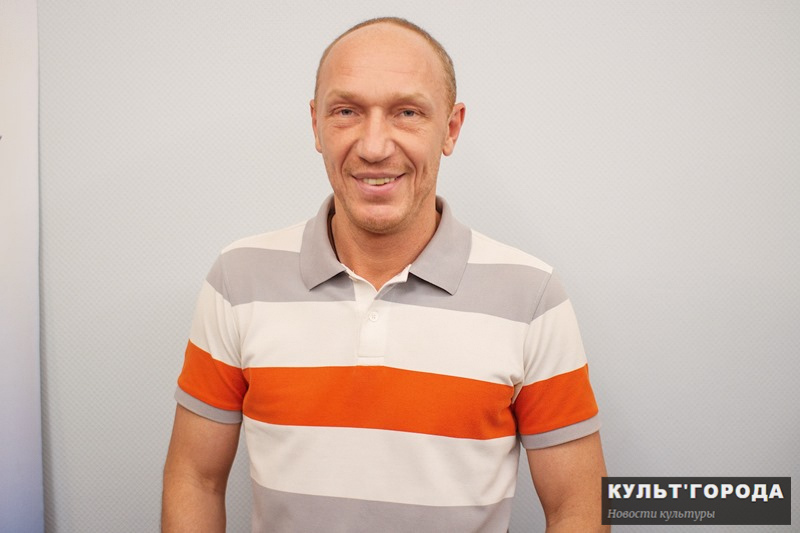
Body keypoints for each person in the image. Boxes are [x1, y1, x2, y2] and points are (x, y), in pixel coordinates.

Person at [162, 17, 608, 533]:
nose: (374, 146)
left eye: (407, 113)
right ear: (316, 125)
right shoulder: (238, 278)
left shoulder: (531, 294)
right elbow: (195, 479)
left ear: (451, 128)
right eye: (347, 111)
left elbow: (580, 505)